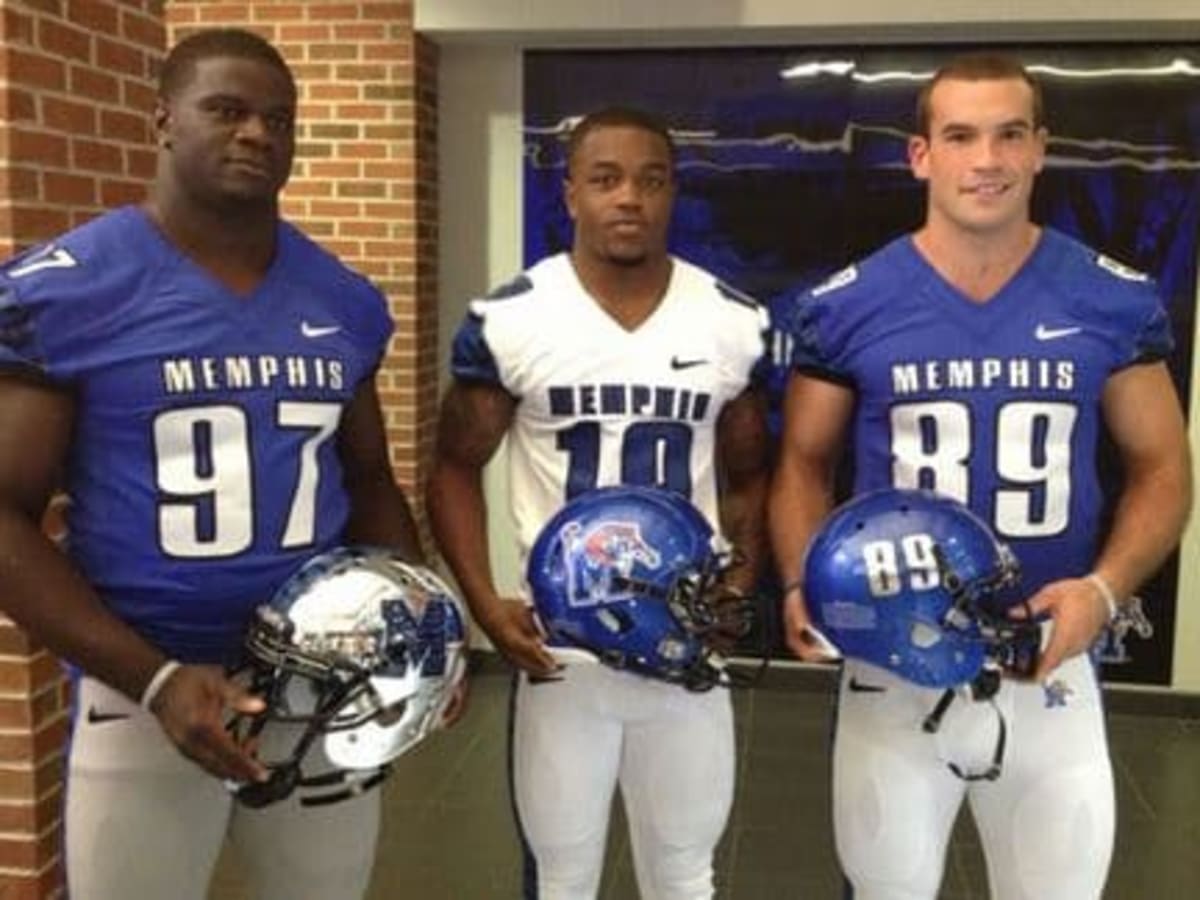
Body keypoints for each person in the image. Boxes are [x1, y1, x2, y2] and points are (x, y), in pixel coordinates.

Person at [0, 28, 450, 900]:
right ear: (163, 119)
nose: (257, 134)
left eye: (278, 119)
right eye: (228, 110)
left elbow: (366, 481)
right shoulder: (70, 289)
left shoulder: (342, 298)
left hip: (318, 679)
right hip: (143, 685)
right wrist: (155, 678)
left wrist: (419, 629)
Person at [768, 52, 1191, 900]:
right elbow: (803, 465)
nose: (986, 160)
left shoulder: (1108, 298)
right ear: (921, 155)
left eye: (1008, 135)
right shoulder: (851, 303)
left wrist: (1102, 594)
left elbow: (1163, 468)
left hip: (1050, 660)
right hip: (894, 663)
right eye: (960, 136)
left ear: (1040, 148)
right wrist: (799, 582)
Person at [427, 106, 770, 899]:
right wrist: (483, 601)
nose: (629, 200)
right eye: (606, 179)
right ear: (570, 192)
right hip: (563, 650)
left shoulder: (732, 320)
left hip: (683, 640)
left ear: (672, 194)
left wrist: (738, 583)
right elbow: (452, 468)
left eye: (651, 182)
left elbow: (750, 473)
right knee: (562, 879)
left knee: (685, 876)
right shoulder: (512, 318)